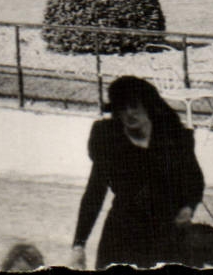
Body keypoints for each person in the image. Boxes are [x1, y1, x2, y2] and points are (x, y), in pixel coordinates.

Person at [71, 76, 205, 269]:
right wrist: (79, 245)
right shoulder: (109, 141)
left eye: (134, 106)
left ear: (147, 106)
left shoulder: (174, 138)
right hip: (122, 234)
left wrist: (188, 207)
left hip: (167, 234)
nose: (129, 113)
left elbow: (195, 180)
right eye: (122, 108)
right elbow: (94, 193)